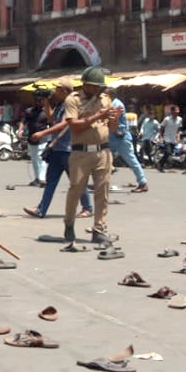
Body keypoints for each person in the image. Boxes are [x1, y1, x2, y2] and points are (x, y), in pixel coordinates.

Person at [62, 66, 120, 246]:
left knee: (102, 192)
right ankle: (69, 224)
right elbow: (74, 126)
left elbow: (113, 128)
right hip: (81, 152)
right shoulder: (73, 100)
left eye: (100, 87)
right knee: (76, 190)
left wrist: (115, 117)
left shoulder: (105, 99)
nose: (98, 90)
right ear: (85, 84)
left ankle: (99, 229)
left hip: (103, 151)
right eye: (95, 86)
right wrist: (97, 116)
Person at [24, 77, 94, 218]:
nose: (54, 92)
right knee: (51, 180)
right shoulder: (61, 104)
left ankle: (87, 207)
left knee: (76, 181)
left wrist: (42, 133)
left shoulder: (71, 104)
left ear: (63, 91)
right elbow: (51, 119)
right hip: (57, 148)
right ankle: (41, 209)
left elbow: (63, 124)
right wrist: (46, 102)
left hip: (68, 149)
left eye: (57, 89)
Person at [109, 95, 148, 192]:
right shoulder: (111, 103)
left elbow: (114, 120)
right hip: (113, 137)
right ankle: (101, 181)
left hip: (120, 137)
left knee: (131, 160)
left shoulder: (116, 104)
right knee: (102, 158)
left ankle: (143, 183)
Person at [25, 96, 50, 185]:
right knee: (34, 159)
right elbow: (24, 122)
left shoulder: (46, 112)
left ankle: (42, 179)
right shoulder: (29, 111)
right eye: (37, 101)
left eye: (41, 101)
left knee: (41, 158)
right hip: (31, 137)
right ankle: (37, 178)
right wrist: (20, 130)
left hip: (43, 138)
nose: (39, 103)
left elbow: (51, 123)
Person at [157, 104, 183, 172]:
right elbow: (161, 128)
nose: (177, 112)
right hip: (167, 138)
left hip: (173, 139)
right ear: (172, 111)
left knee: (171, 153)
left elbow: (179, 129)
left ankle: (161, 164)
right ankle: (160, 163)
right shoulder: (167, 119)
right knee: (168, 152)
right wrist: (161, 136)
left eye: (178, 110)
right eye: (176, 110)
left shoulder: (180, 119)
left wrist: (178, 137)